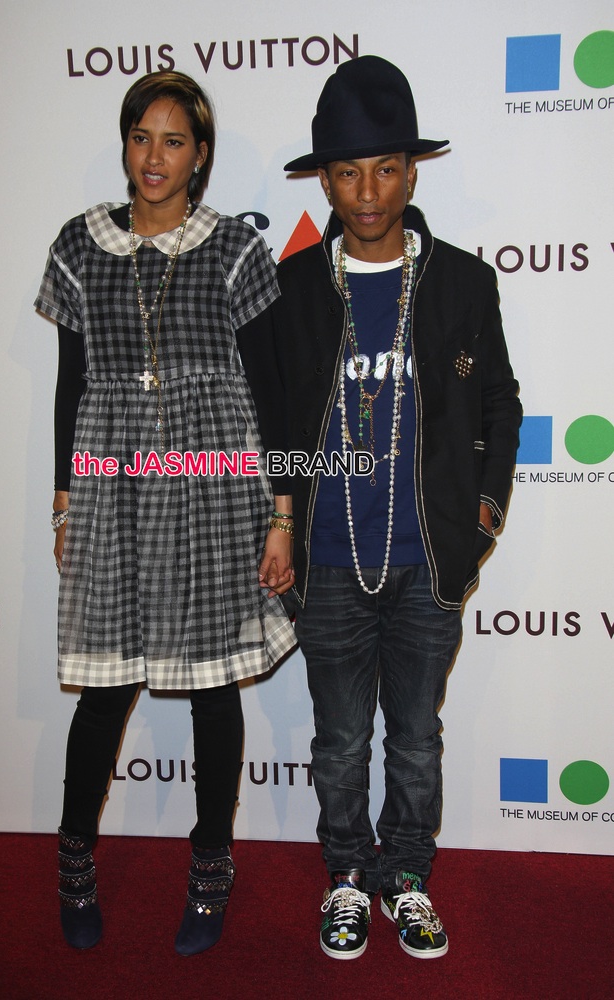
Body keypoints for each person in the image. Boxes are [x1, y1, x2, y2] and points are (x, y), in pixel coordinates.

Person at [242, 56, 521, 960]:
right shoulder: (287, 292)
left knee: (415, 741)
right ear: (325, 178)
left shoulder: (462, 284)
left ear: (412, 171)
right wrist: (280, 520)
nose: (369, 191)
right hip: (327, 559)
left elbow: (501, 407)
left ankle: (405, 877)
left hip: (429, 563)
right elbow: (269, 420)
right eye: (349, 171)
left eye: (387, 168)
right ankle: (347, 879)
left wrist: (481, 520)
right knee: (337, 744)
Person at [35, 70, 297, 956]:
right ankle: (74, 867)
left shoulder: (234, 251)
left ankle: (211, 872)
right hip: (113, 482)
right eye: (142, 137)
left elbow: (270, 387)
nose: (155, 156)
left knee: (213, 691)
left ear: (201, 155)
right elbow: (73, 383)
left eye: (174, 140)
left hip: (217, 481)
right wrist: (66, 500)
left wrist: (281, 512)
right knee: (105, 689)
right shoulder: (78, 245)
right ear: (125, 144)